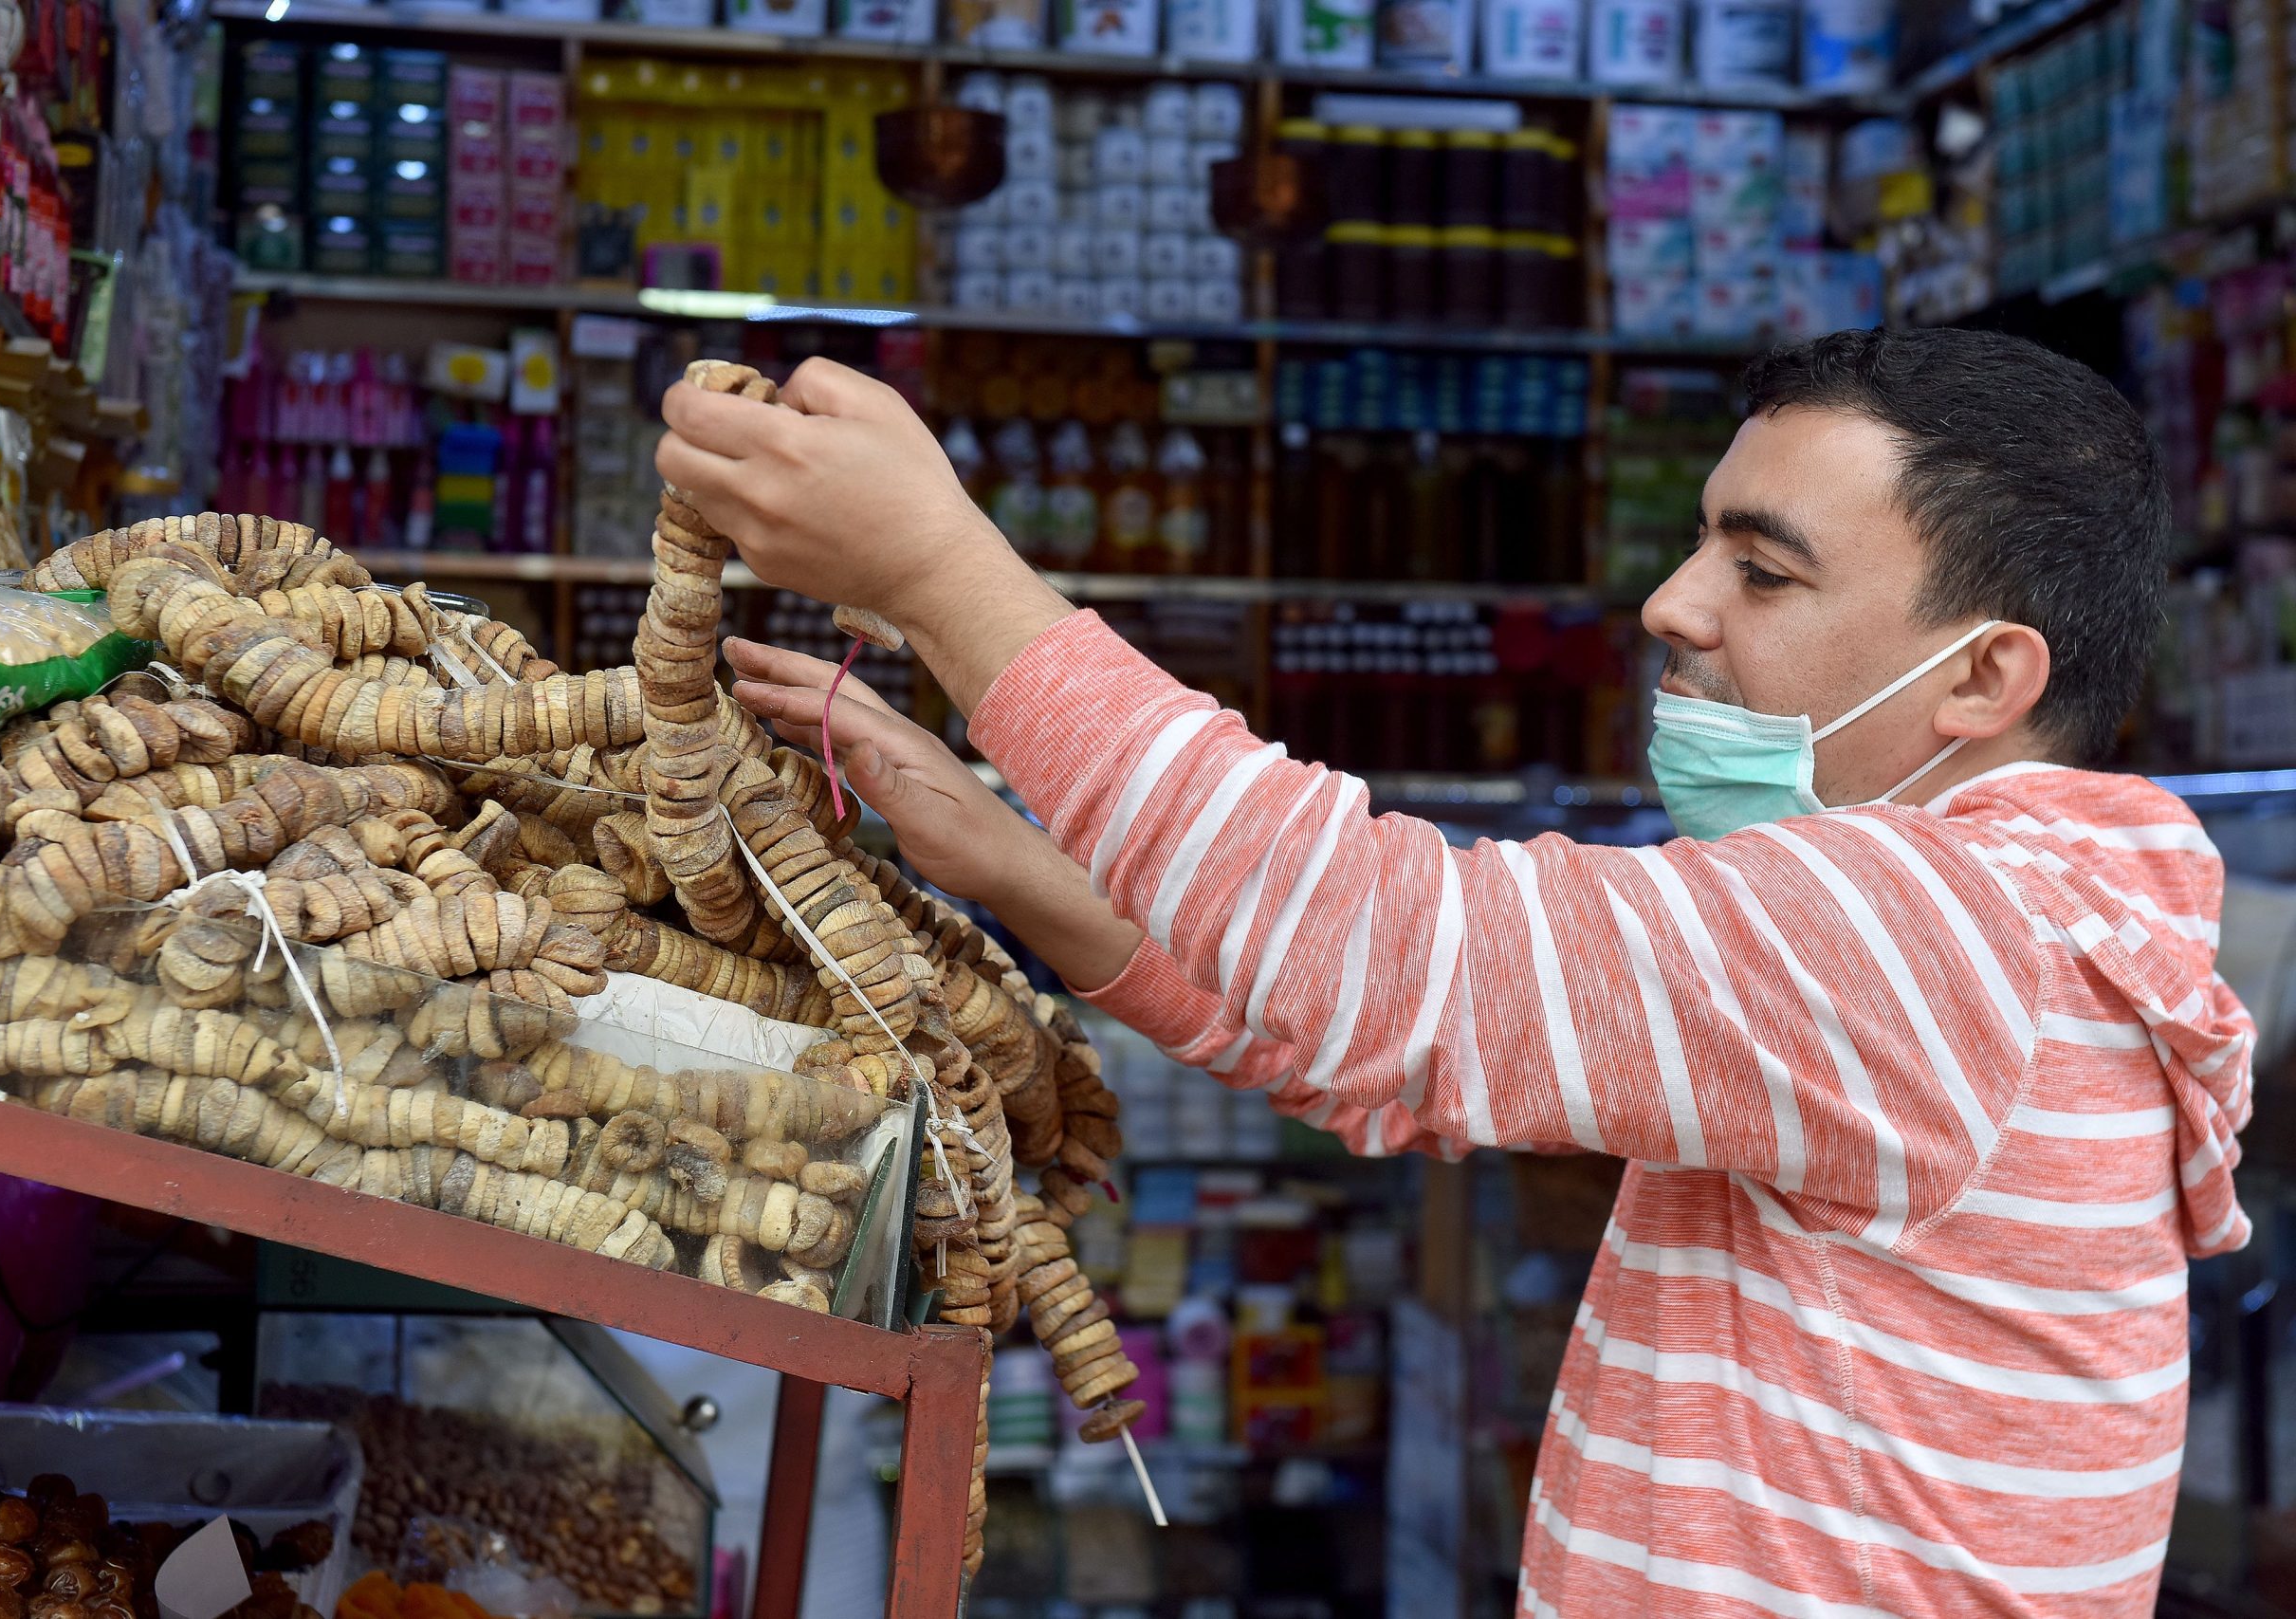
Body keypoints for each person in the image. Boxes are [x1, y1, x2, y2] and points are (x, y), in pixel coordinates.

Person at [654, 326, 2254, 1617]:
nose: (1672, 605)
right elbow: (1396, 1050)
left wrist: (941, 574)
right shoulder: (2016, 926)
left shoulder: (1939, 928)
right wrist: (1014, 869)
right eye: (1703, 542)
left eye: (1761, 574)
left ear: (1982, 676)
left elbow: (1382, 950)